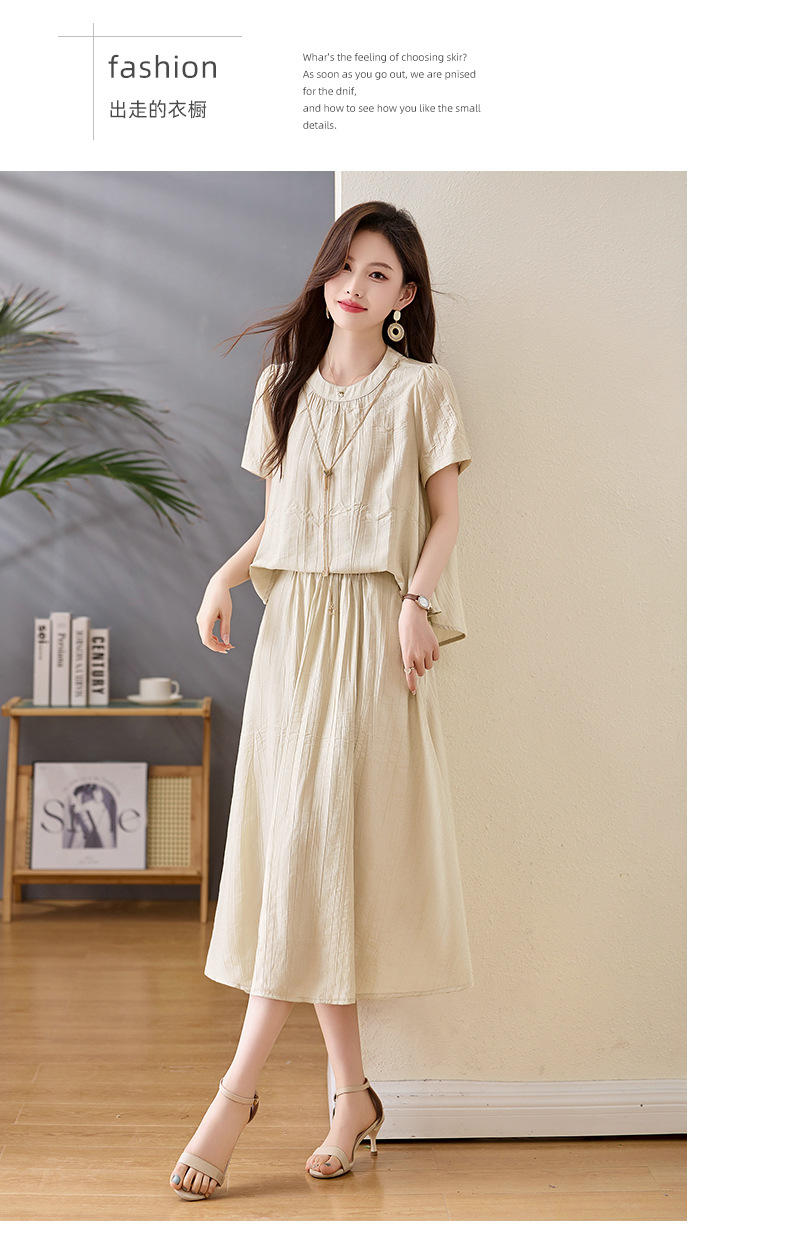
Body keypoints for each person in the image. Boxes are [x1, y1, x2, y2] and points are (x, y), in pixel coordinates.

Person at [170, 201, 475, 1201]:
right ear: (325, 274)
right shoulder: (281, 385)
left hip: (377, 633)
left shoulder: (423, 389)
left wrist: (417, 603)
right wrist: (223, 576)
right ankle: (351, 1097)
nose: (355, 284)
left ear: (404, 295)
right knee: (310, 856)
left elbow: (445, 517)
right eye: (345, 266)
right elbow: (284, 519)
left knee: (314, 850)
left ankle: (236, 1094)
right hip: (295, 630)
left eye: (379, 273)